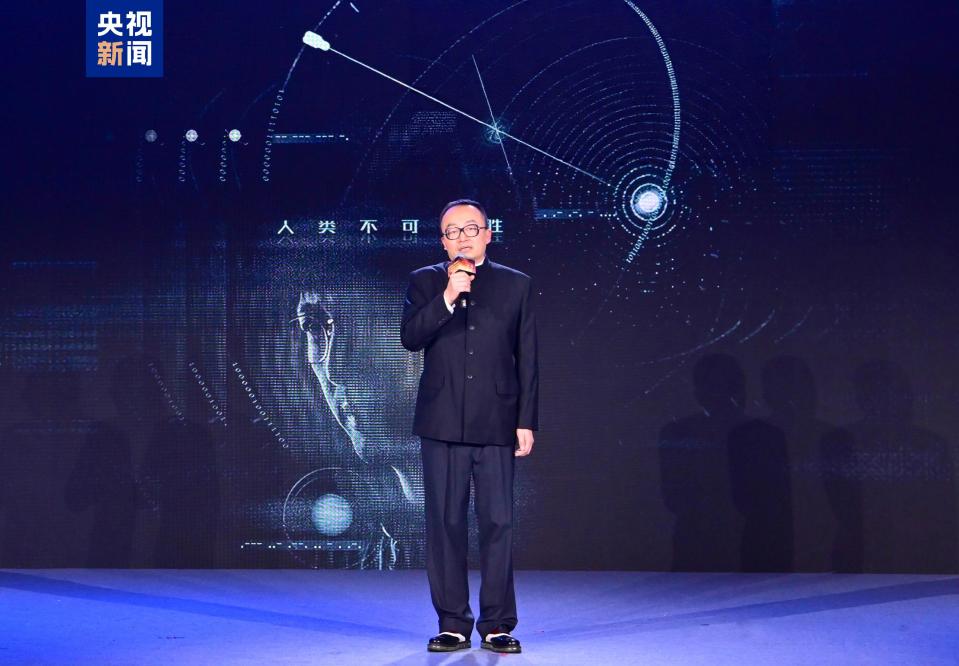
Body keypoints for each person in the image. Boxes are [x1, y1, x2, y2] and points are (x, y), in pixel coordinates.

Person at [401, 198, 538, 653]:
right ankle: (453, 623)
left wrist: (526, 420)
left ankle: (498, 623)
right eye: (452, 231)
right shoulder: (425, 281)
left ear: (487, 234)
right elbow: (410, 337)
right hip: (441, 421)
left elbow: (528, 358)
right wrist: (447, 295)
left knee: (498, 522)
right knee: (445, 524)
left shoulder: (516, 284)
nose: (462, 237)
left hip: (497, 420)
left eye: (470, 229)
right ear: (443, 241)